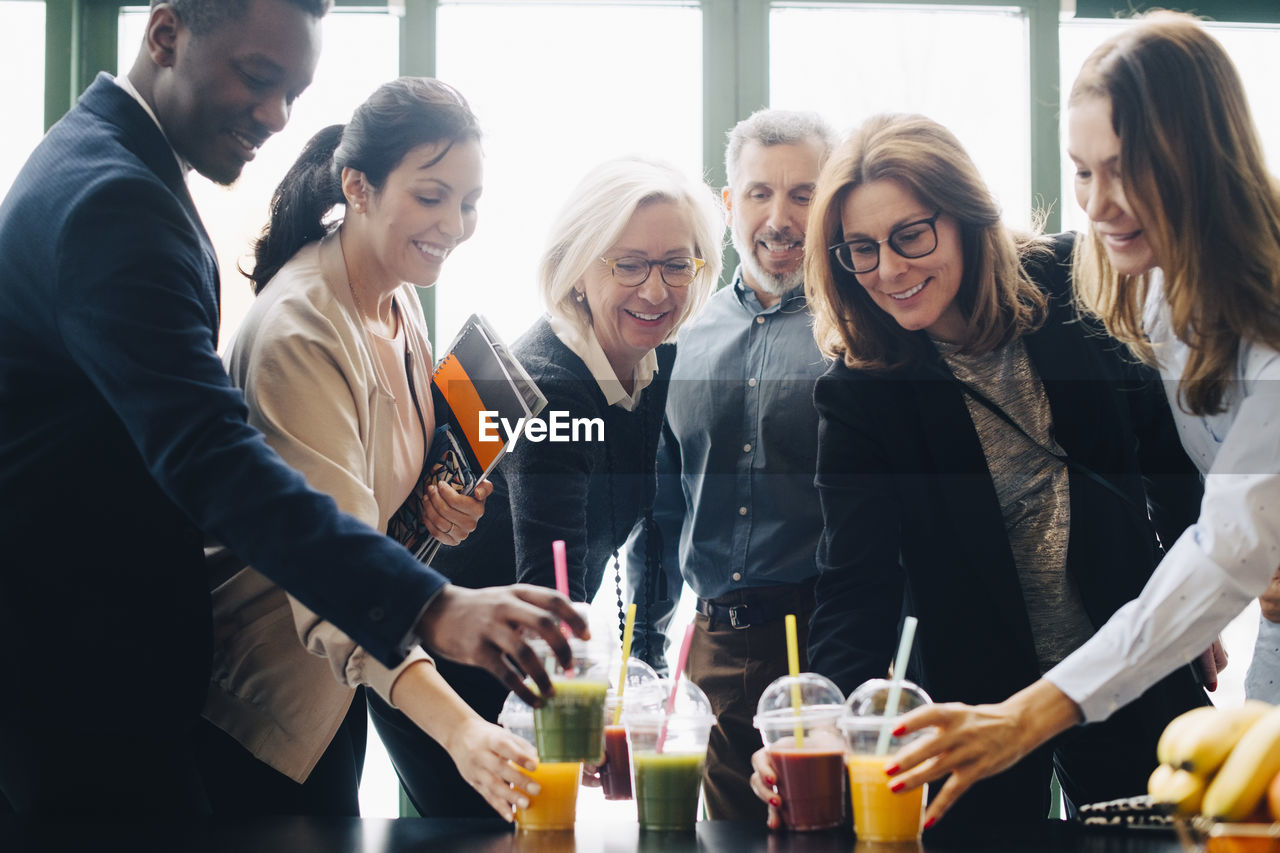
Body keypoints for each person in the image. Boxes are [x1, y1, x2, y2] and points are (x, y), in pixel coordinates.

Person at [0, 0, 582, 817]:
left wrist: (424, 517)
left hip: (181, 682)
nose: (275, 116)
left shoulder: (114, 166)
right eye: (258, 77)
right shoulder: (118, 201)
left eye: (294, 93)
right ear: (165, 35)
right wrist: (431, 603)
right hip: (92, 682)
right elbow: (214, 460)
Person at [746, 113, 1209, 834]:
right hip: (978, 704)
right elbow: (855, 584)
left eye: (910, 236)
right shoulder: (860, 391)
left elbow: (1167, 448)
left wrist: (1197, 594)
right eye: (861, 250)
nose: (890, 271)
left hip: (1129, 662)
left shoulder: (1070, 281)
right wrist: (823, 724)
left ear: (964, 216)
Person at [882, 12, 1280, 827]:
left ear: (1202, 156)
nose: (1101, 203)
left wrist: (1026, 715)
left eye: (1128, 169)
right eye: (1083, 172)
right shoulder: (1156, 285)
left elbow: (1224, 550)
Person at [193, 77, 542, 820]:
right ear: (359, 185)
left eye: (469, 202)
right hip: (263, 700)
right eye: (431, 196)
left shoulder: (395, 293)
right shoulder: (299, 332)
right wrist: (463, 733)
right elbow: (329, 574)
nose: (453, 223)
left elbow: (367, 502)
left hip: (344, 681)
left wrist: (434, 509)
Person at [367, 155, 725, 817]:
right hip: (450, 677)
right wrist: (573, 710)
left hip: (529, 664)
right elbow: (548, 584)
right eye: (629, 263)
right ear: (579, 270)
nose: (657, 290)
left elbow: (656, 532)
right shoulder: (554, 387)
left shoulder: (657, 362)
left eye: (678, 263)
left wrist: (639, 672)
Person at [629, 108, 836, 822]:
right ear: (728, 205)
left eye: (803, 194)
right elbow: (661, 511)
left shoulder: (860, 330)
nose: (779, 217)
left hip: (827, 641)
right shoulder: (682, 335)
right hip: (711, 650)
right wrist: (649, 658)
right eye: (759, 193)